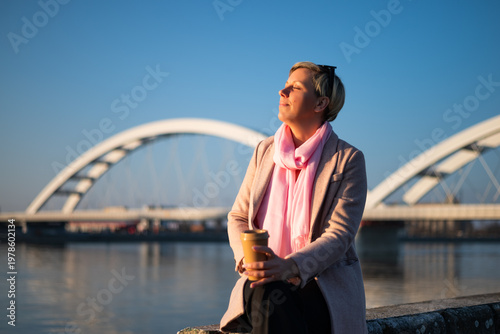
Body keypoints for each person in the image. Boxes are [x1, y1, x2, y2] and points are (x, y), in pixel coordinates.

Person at [220, 61, 368, 334]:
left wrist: (289, 267)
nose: (282, 91)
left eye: (295, 88)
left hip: (321, 289)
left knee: (267, 297)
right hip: (263, 282)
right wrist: (248, 260)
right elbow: (238, 216)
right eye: (285, 85)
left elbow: (341, 234)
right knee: (266, 291)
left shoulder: (347, 160)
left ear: (320, 103)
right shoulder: (265, 151)